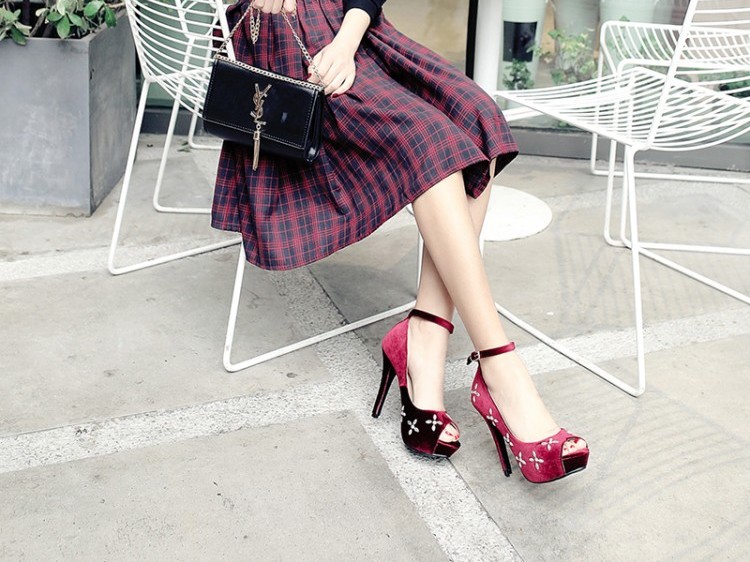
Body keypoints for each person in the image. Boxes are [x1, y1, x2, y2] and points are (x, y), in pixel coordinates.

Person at [212, 0, 589, 484]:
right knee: (431, 145)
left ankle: (424, 338)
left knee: (478, 117)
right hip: (283, 36)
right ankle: (500, 369)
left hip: (353, 26)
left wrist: (348, 38)